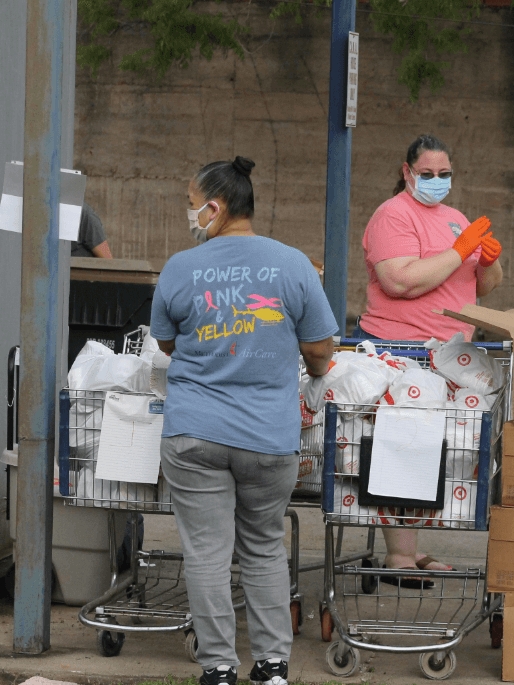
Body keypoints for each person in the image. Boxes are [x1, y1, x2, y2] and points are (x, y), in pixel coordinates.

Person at [150, 156, 337, 685]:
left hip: (194, 433)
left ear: (215, 206)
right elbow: (320, 350)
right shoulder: (294, 264)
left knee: (207, 553)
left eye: (192, 205)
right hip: (267, 438)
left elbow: (165, 341)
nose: (189, 216)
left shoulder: (181, 269)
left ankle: (218, 668)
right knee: (262, 546)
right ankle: (274, 665)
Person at [354, 134, 503, 586]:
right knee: (402, 448)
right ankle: (399, 556)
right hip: (401, 351)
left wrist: (488, 263)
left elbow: (484, 288)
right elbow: (400, 280)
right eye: (427, 175)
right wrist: (459, 253)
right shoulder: (392, 215)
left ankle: (411, 549)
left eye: (444, 175)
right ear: (407, 172)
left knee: (434, 454)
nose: (437, 182)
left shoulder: (457, 220)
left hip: (449, 356)